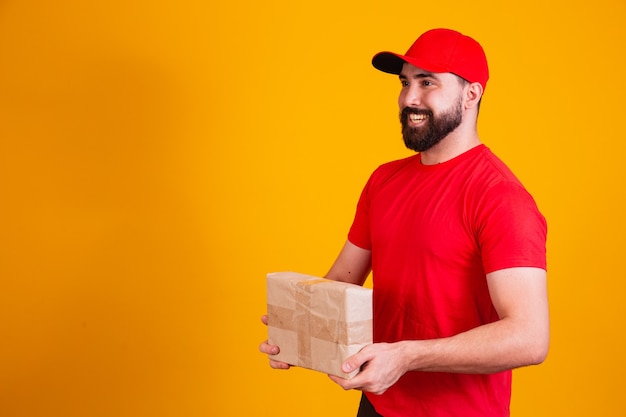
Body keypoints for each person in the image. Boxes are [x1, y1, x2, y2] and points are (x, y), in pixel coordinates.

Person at [259, 28, 549, 417]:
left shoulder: (500, 198)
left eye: (428, 83)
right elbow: (342, 282)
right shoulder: (384, 180)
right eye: (405, 82)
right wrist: (298, 329)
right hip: (379, 402)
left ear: (471, 94)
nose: (409, 98)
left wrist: (407, 356)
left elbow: (529, 338)